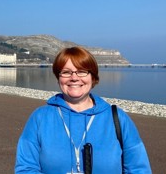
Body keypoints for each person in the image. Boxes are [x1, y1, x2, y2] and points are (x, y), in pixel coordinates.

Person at [15, 47, 151, 174]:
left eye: (81, 71)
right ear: (58, 78)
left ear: (93, 77)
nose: (74, 78)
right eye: (66, 72)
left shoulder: (117, 118)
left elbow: (138, 169)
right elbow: (26, 168)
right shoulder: (40, 118)